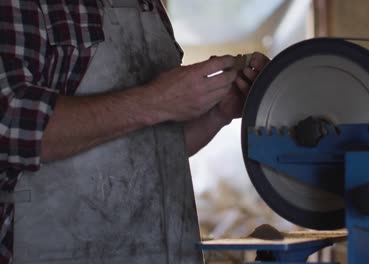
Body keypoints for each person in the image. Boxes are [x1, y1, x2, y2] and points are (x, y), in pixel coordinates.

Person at [0, 0, 270, 263]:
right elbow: (11, 124)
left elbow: (154, 152)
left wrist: (218, 113)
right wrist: (156, 101)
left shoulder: (149, 6)